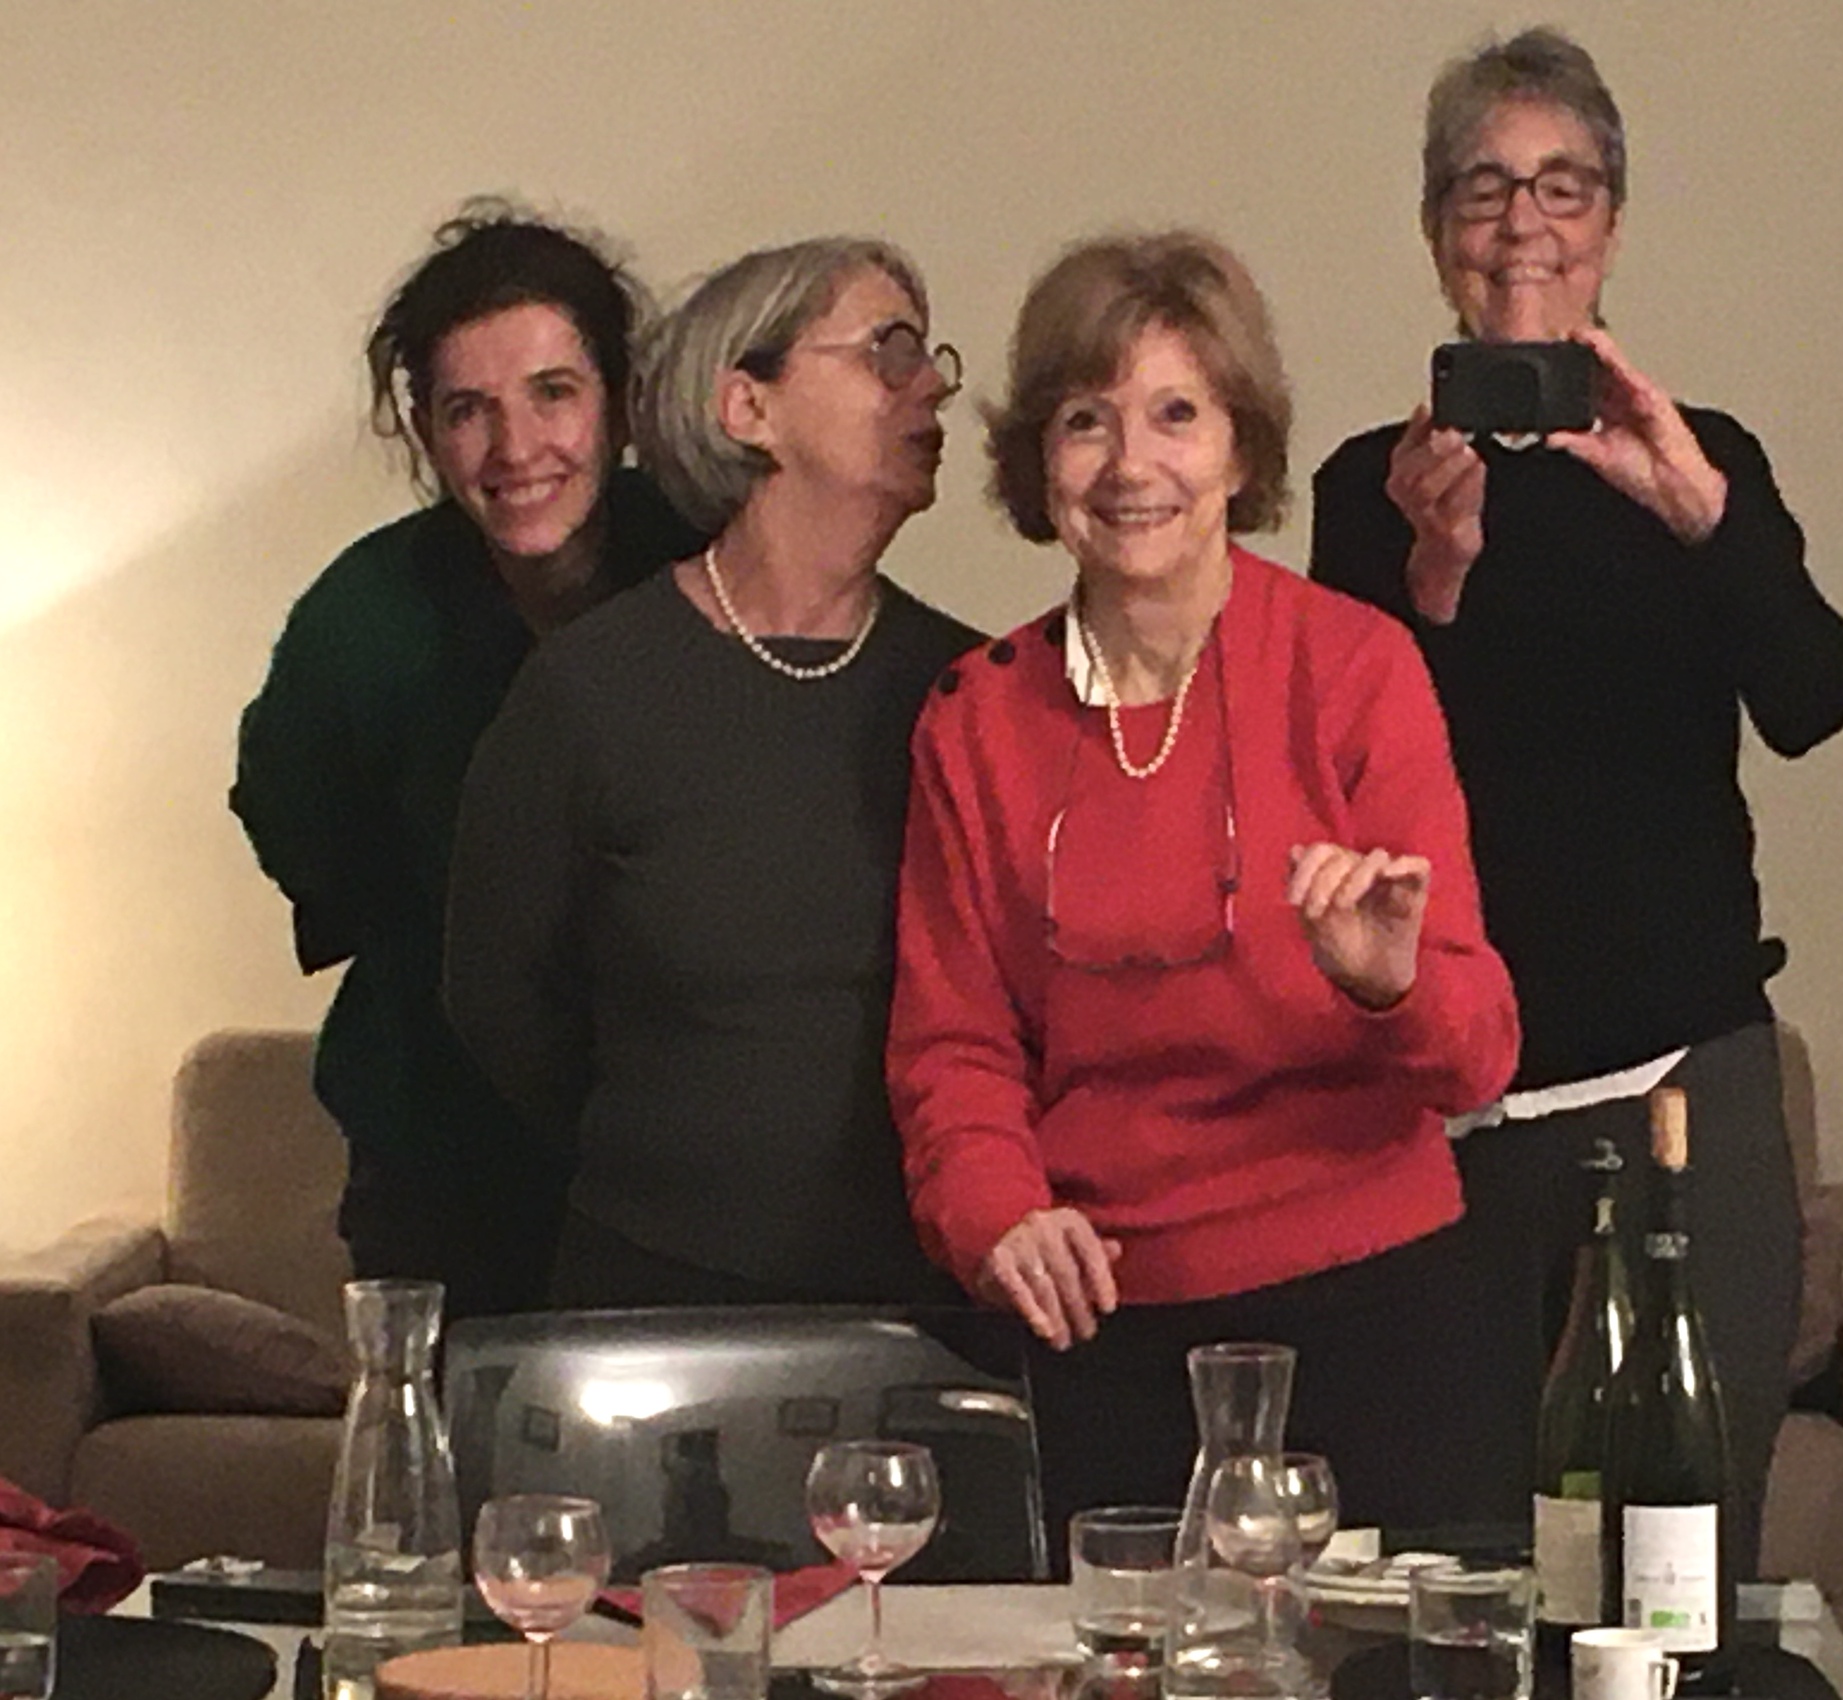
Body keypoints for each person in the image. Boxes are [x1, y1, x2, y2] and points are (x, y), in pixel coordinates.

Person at [1310, 29, 1843, 1572]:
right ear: (1435, 230)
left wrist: (1698, 511)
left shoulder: (1706, 461)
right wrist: (1430, 577)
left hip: (1680, 1086)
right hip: (1448, 1110)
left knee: (1673, 1571)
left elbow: (1811, 699)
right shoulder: (1367, 488)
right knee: (1456, 1572)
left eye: (1560, 187)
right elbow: (1342, 785)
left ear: (1609, 223)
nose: (1520, 226)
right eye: (1481, 188)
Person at [888, 230, 1530, 1546]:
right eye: (1086, 420)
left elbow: (1477, 1051)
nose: (1131, 465)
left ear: (1240, 451)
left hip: (1375, 1313)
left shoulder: (1354, 668)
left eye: (1176, 414)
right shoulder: (974, 718)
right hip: (1102, 1328)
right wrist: (995, 1214)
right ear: (1039, 462)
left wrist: (1388, 984)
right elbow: (951, 1046)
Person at [446, 237, 978, 1309]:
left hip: (924, 1298)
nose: (928, 387)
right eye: (887, 351)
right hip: (656, 1286)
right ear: (747, 406)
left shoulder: (967, 689)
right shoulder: (591, 690)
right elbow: (499, 1002)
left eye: (927, 357)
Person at [232, 203, 702, 1320]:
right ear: (424, 430)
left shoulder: (704, 560)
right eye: (468, 410)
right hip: (439, 1153)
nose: (516, 447)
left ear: (620, 401)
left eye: (553, 393)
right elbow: (295, 823)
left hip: (680, 1159)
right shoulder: (362, 617)